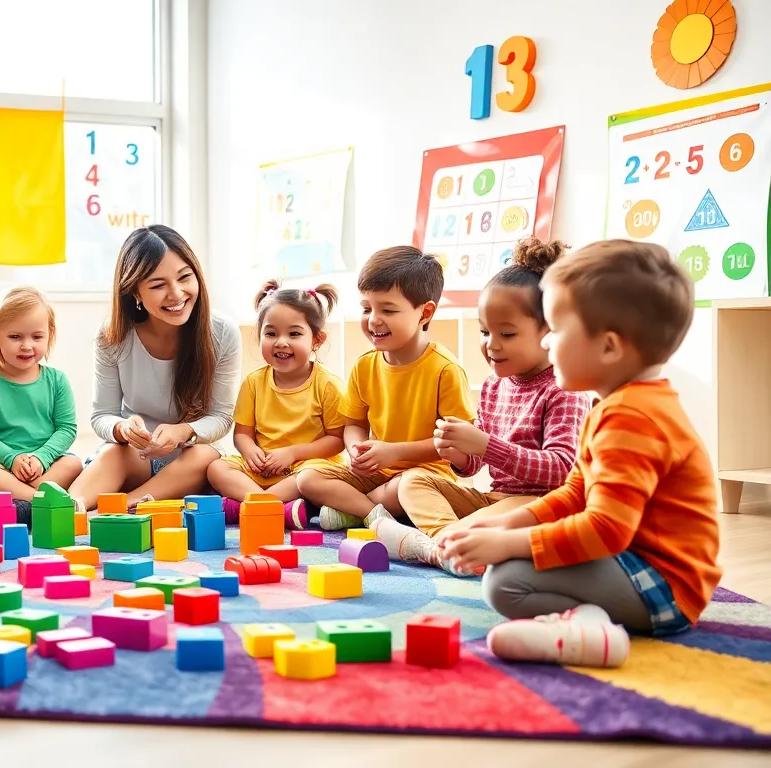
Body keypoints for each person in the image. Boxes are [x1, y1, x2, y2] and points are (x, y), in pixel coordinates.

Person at [441, 240, 720, 669]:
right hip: (634, 564)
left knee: (506, 582)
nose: (548, 343)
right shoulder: (618, 404)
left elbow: (605, 529)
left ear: (609, 347)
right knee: (506, 569)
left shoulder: (633, 417)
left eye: (556, 330)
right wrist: (505, 526)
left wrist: (508, 542)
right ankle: (587, 617)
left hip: (663, 588)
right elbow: (575, 494)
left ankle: (589, 627)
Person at [367, 239, 591, 573]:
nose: (491, 345)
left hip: (542, 504)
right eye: (485, 332)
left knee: (482, 524)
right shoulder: (493, 386)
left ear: (550, 330)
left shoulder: (565, 389)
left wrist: (485, 445)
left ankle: (440, 545)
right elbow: (472, 465)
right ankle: (446, 543)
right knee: (414, 481)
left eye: (507, 334)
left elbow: (560, 469)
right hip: (493, 498)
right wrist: (456, 451)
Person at [297, 246, 476, 529]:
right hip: (377, 471)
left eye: (388, 310)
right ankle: (375, 515)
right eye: (366, 308)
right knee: (308, 478)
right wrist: (356, 449)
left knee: (404, 488)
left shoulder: (444, 369)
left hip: (424, 475)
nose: (373, 319)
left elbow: (456, 443)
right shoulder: (364, 366)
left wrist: (395, 452)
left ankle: (357, 510)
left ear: (425, 313)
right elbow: (353, 424)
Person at [68, 225, 241, 512]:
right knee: (113, 454)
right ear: (134, 291)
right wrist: (122, 429)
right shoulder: (113, 336)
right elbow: (102, 416)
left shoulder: (222, 333)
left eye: (185, 277)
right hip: (136, 456)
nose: (176, 294)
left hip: (190, 459)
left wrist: (184, 431)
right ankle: (66, 511)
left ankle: (125, 506)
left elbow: (221, 417)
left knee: (204, 457)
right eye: (158, 285)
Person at [207, 280, 345, 527]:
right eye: (271, 334)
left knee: (312, 478)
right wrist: (251, 452)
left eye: (294, 334)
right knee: (216, 468)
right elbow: (242, 434)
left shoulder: (327, 384)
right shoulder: (254, 382)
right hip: (263, 471)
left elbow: (337, 440)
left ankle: (250, 507)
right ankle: (269, 505)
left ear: (317, 340)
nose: (281, 342)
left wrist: (292, 453)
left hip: (303, 468)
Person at [0, 287, 82, 511]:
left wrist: (41, 458)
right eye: (15, 337)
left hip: (48, 463)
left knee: (74, 463)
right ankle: (43, 501)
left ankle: (19, 498)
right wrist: (12, 459)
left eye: (37, 337)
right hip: (4, 465)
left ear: (49, 335)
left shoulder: (57, 380)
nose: (27, 345)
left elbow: (66, 429)